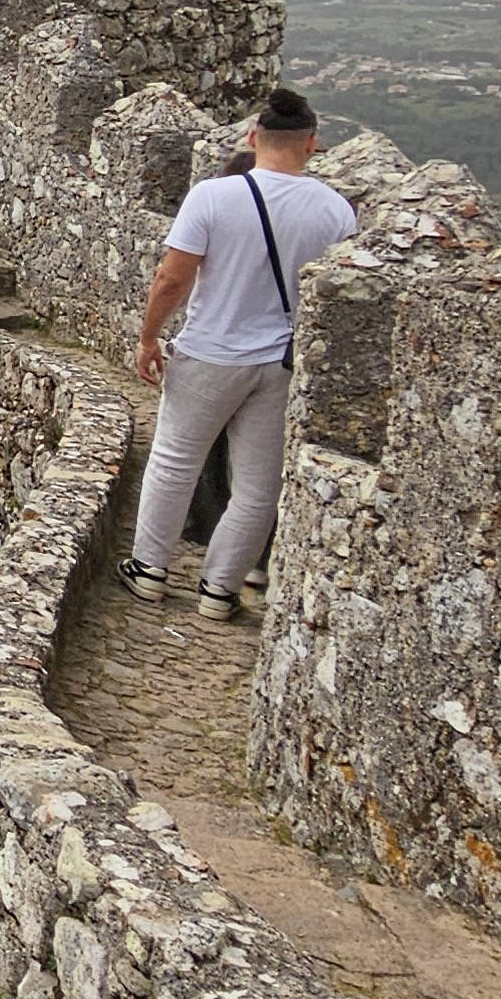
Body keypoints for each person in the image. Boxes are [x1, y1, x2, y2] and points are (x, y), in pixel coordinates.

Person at [119, 85, 357, 619]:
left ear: (253, 138)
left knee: (176, 459)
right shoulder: (336, 212)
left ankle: (150, 570)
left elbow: (172, 278)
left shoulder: (213, 196)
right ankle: (220, 590)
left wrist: (148, 336)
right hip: (279, 364)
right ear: (312, 145)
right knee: (257, 483)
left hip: (209, 351)